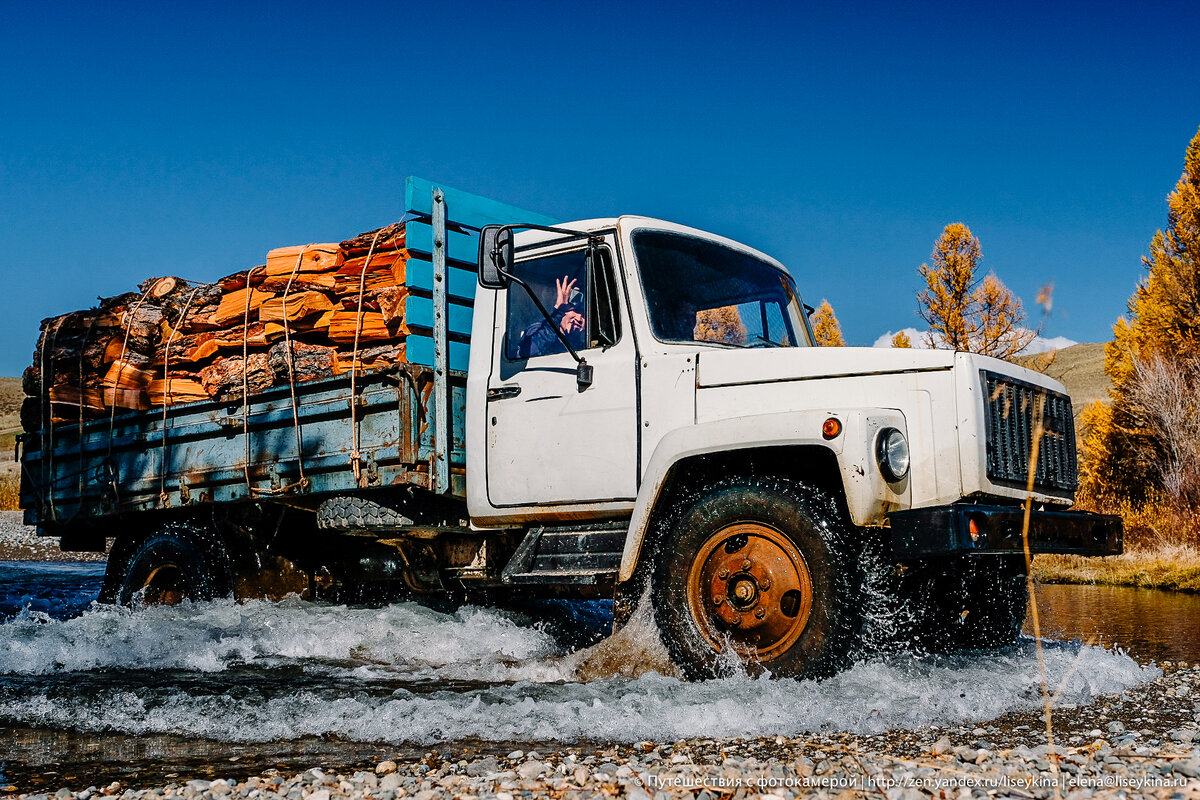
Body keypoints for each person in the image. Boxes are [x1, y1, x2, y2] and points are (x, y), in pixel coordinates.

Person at [517, 275, 586, 358]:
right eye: (575, 310)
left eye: (584, 314)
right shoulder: (539, 330)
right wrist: (559, 312)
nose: (579, 318)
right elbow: (528, 352)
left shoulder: (583, 348)